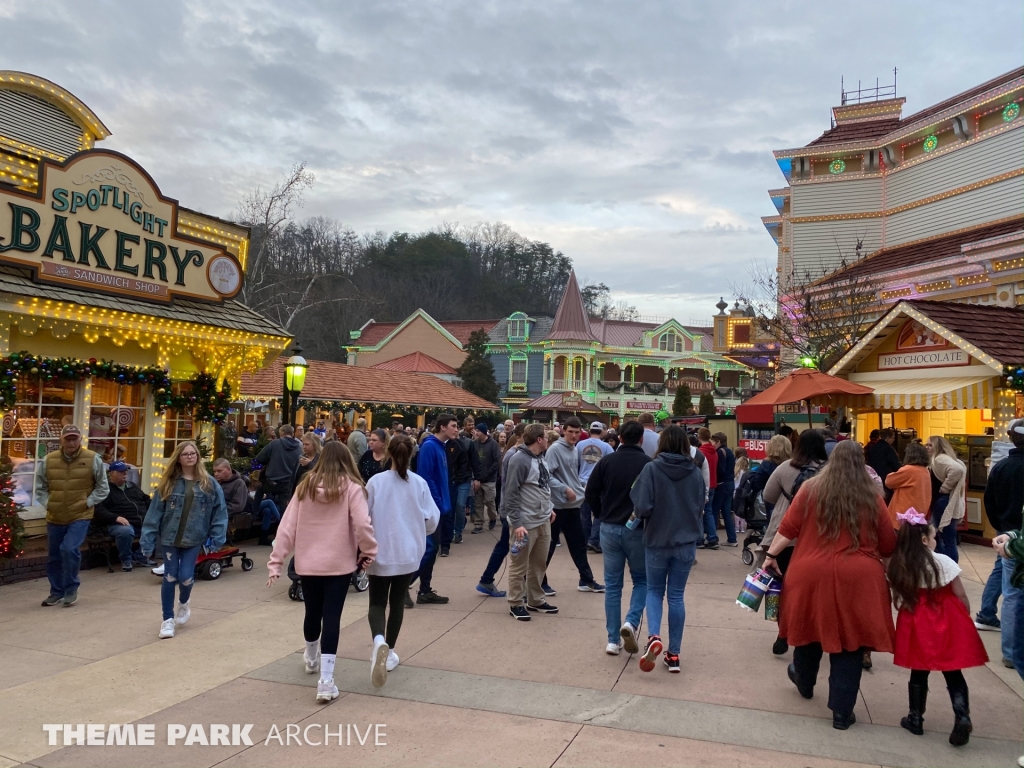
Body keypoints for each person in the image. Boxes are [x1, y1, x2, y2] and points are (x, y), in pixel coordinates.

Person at [764, 440, 896, 730]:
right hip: (860, 577)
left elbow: (787, 529)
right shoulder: (872, 496)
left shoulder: (810, 489)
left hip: (810, 571)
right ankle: (841, 711)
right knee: (851, 642)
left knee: (809, 630)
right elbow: (888, 543)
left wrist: (771, 556)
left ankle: (804, 680)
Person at [267, 441, 377, 702]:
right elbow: (363, 524)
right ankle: (326, 680)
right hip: (339, 563)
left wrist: (276, 561)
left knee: (312, 612)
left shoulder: (305, 487)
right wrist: (369, 550)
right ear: (347, 460)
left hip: (308, 562)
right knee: (332, 617)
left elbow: (287, 526)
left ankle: (311, 655)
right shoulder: (352, 488)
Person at [887, 509, 987, 747]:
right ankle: (962, 716)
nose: (935, 541)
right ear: (924, 540)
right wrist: (965, 613)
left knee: (919, 671)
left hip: (917, 620)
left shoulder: (901, 565)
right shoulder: (943, 562)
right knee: (953, 672)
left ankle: (915, 718)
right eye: (933, 537)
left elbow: (898, 595)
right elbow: (959, 594)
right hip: (947, 617)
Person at [630, 426, 706, 673]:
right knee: (676, 596)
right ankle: (674, 654)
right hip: (685, 541)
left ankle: (654, 636)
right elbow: (701, 504)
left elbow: (641, 505)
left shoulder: (651, 469)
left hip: (657, 538)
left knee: (654, 590)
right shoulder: (694, 472)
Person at [365, 436, 439, 687]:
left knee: (376, 601)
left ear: (388, 452)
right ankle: (390, 649)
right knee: (396, 601)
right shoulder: (419, 484)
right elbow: (432, 519)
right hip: (407, 553)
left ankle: (378, 640)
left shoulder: (375, 482)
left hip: (380, 550)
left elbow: (363, 515)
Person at [140, 441, 228, 639]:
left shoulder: (209, 483)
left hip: (194, 538)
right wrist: (148, 541)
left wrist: (217, 537)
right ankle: (167, 620)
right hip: (170, 538)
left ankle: (184, 603)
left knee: (186, 577)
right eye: (185, 454)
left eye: (193, 453)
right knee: (170, 576)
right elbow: (154, 514)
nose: (190, 456)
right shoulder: (168, 483)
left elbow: (219, 512)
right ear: (178, 458)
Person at [586, 420, 651, 655]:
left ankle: (613, 639)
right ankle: (631, 621)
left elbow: (590, 492)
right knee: (642, 580)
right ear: (641, 439)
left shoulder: (606, 461)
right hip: (637, 528)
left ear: (620, 438)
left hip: (609, 526)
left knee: (613, 585)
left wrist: (600, 512)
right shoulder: (648, 464)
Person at [761, 429, 828, 656]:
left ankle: (783, 632)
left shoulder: (785, 467)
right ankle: (813, 631)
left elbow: (768, 496)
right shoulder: (830, 471)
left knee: (784, 587)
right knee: (815, 590)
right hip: (819, 537)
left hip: (785, 537)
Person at [37, 424, 110, 607]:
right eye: (68, 438)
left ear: (80, 440)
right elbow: (40, 487)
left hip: (80, 514)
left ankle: (71, 589)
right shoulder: (48, 460)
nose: (71, 442)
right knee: (54, 556)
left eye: (74, 438)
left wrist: (87, 502)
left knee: (69, 549)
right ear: (61, 440)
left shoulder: (93, 459)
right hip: (55, 515)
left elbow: (103, 487)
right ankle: (56, 592)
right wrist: (48, 503)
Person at [544, 417, 604, 594]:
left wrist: (578, 487)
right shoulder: (555, 450)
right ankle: (538, 581)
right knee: (549, 545)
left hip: (572, 505)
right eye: (570, 431)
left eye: (577, 432)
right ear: (563, 430)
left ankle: (586, 580)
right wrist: (564, 489)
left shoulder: (574, 450)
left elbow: (571, 474)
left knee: (578, 544)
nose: (574, 435)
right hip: (557, 505)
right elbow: (547, 476)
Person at [981, 418, 1024, 662]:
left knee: (1010, 592)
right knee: (1013, 594)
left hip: (1007, 535)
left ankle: (988, 615)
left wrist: (1001, 528)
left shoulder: (1001, 467)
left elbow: (990, 501)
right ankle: (1011, 652)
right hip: (1013, 537)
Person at [504, 424, 557, 620]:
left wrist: (549, 507)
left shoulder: (540, 458)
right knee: (519, 565)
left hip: (543, 520)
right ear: (539, 440)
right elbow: (511, 493)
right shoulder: (519, 460)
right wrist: (517, 523)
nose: (549, 439)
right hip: (525, 524)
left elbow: (542, 486)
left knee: (538, 563)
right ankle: (516, 602)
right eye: (546, 436)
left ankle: (535, 599)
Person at [412, 415, 455, 605]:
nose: (456, 429)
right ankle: (406, 584)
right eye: (453, 426)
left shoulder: (440, 447)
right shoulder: (430, 446)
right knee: (429, 549)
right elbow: (426, 478)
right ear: (442, 427)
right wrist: (436, 504)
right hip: (432, 508)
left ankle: (425, 590)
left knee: (432, 549)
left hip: (439, 506)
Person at [92, 461, 153, 572]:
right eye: (120, 472)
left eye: (125, 471)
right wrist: (115, 518)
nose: (124, 473)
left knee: (158, 525)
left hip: (140, 521)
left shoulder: (132, 487)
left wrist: (155, 512)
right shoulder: (105, 490)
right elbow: (99, 510)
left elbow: (146, 500)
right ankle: (126, 560)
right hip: (117, 523)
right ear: (111, 474)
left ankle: (141, 556)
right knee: (125, 531)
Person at [926, 436, 966, 562]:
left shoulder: (939, 459)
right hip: (947, 502)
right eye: (926, 445)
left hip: (943, 502)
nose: (927, 447)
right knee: (947, 538)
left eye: (930, 445)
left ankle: (949, 569)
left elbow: (957, 469)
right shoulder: (948, 458)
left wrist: (945, 487)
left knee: (941, 537)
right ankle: (949, 568)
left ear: (938, 447)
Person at [577, 421, 613, 552]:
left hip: (582, 483)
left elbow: (576, 464)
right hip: (600, 483)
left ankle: (586, 540)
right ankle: (594, 539)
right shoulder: (606, 447)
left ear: (590, 430)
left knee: (585, 514)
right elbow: (610, 466)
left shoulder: (580, 445)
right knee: (599, 513)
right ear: (601, 431)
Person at [253, 424, 303, 511]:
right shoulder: (299, 447)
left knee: (260, 489)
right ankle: (282, 523)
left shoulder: (274, 443)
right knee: (284, 509)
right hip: (289, 484)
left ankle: (252, 516)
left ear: (281, 433)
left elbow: (259, 458)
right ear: (292, 433)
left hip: (272, 482)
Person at [443, 423, 473, 556]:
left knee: (460, 506)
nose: (455, 431)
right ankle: (448, 535)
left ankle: (458, 531)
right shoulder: (442, 445)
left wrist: (476, 477)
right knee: (450, 508)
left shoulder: (464, 444)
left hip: (463, 480)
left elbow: (473, 461)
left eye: (456, 428)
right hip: (450, 481)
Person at [885, 443, 932, 529]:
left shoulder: (908, 469)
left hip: (903, 515)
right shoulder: (925, 470)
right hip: (918, 514)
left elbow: (889, 481)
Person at [472, 423, 502, 537]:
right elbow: (472, 460)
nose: (476, 433)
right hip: (477, 479)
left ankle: (493, 517)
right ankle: (478, 524)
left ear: (484, 432)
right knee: (478, 503)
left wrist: (485, 475)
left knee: (490, 501)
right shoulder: (474, 444)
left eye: (478, 431)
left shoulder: (493, 444)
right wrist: (476, 477)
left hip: (489, 479)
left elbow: (496, 462)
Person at [709, 432, 737, 547]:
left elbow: (721, 469)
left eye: (714, 442)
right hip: (730, 483)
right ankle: (732, 539)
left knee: (714, 510)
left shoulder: (720, 452)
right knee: (726, 512)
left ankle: (713, 537)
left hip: (722, 484)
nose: (713, 444)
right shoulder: (729, 451)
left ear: (718, 442)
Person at [696, 428, 720, 549]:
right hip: (713, 484)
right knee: (709, 511)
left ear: (699, 437)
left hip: (702, 485)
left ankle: (699, 539)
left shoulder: (700, 452)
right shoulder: (714, 452)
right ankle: (712, 537)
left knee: (700, 512)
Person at [866, 428, 902, 501]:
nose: (893, 440)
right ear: (887, 438)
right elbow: (896, 465)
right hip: (886, 479)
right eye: (893, 438)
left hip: (873, 478)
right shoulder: (889, 449)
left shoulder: (872, 447)